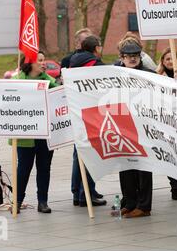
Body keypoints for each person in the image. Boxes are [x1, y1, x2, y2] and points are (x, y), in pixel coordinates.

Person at [10, 51, 59, 213]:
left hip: (45, 135)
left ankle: (42, 201)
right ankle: (17, 201)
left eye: (44, 60)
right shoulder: (17, 81)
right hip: (25, 135)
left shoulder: (49, 81)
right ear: (30, 62)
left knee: (44, 167)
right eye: (40, 60)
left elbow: (59, 96)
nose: (43, 63)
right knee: (23, 168)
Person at [116, 38, 154, 218]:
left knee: (144, 168)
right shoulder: (115, 74)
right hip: (122, 125)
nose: (132, 59)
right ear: (121, 57)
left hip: (143, 127)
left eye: (135, 56)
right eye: (128, 56)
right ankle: (130, 202)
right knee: (125, 166)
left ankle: (144, 206)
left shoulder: (148, 74)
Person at [68, 35, 107, 207]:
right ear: (96, 48)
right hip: (93, 114)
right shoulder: (96, 65)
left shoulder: (72, 61)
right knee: (91, 154)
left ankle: (77, 193)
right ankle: (87, 195)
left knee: (79, 154)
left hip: (77, 114)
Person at [156, 47, 177, 200]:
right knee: (170, 157)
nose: (170, 62)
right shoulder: (157, 76)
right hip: (165, 121)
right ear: (163, 62)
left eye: (172, 58)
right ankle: (174, 188)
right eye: (167, 59)